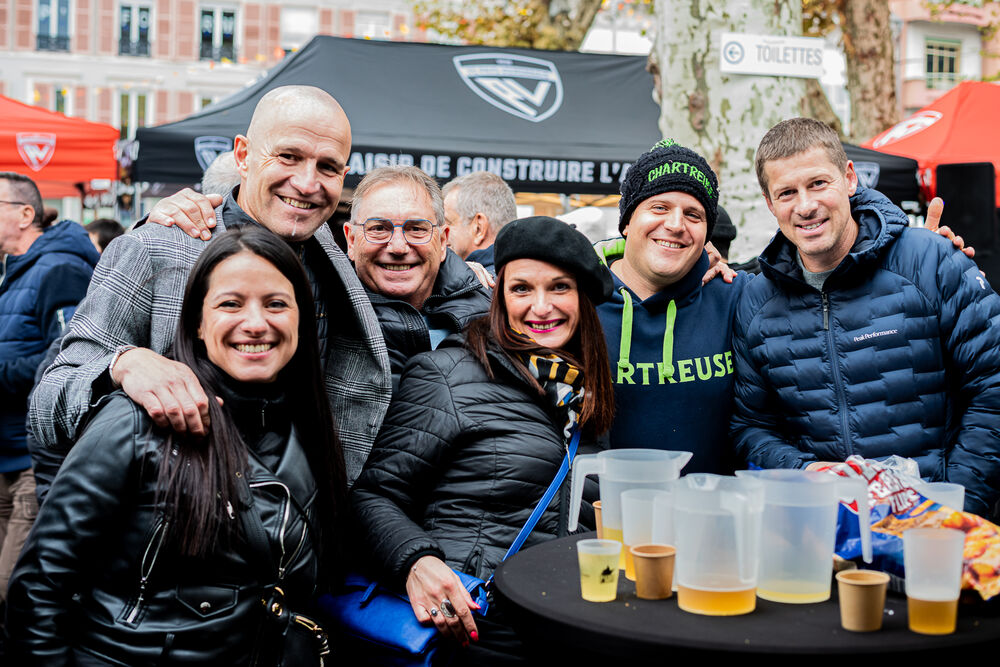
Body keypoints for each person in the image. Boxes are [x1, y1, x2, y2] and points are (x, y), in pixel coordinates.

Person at [8, 227, 345, 665]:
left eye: (276, 304)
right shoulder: (135, 420)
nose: (256, 322)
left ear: (302, 318)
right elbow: (38, 589)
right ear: (198, 324)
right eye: (230, 303)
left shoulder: (312, 428)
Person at [29, 85, 391, 487]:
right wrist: (124, 364)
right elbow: (47, 405)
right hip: (184, 514)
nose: (307, 183)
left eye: (327, 167)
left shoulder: (331, 252)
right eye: (288, 156)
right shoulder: (157, 247)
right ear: (244, 156)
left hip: (306, 513)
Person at [351, 216, 615, 664]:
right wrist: (416, 561)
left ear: (583, 300)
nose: (541, 306)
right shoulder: (449, 373)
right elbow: (371, 495)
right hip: (471, 628)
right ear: (500, 296)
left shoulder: (585, 394)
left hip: (561, 631)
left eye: (559, 288)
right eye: (521, 288)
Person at [730, 117, 1000, 517]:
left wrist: (954, 507)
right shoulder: (755, 301)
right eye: (787, 192)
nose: (805, 206)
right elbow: (750, 426)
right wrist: (804, 472)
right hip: (826, 529)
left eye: (818, 183)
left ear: (849, 179)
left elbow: (992, 386)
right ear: (770, 204)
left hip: (938, 528)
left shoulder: (930, 260)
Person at [595, 140, 751, 474]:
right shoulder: (577, 298)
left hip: (710, 504)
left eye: (693, 214)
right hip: (602, 506)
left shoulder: (735, 297)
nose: (676, 224)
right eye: (659, 207)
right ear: (627, 222)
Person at [0, 172, 99, 602]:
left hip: (32, 463)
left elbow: (67, 360)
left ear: (25, 215)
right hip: (6, 458)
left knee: (14, 594)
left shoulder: (60, 268)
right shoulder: (13, 271)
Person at [345, 166, 491, 391]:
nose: (398, 247)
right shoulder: (321, 316)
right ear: (351, 240)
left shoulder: (491, 313)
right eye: (379, 228)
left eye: (416, 229)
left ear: (442, 241)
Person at [442, 171, 517, 273]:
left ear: (478, 228)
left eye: (448, 223)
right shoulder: (519, 272)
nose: (440, 233)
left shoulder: (473, 280)